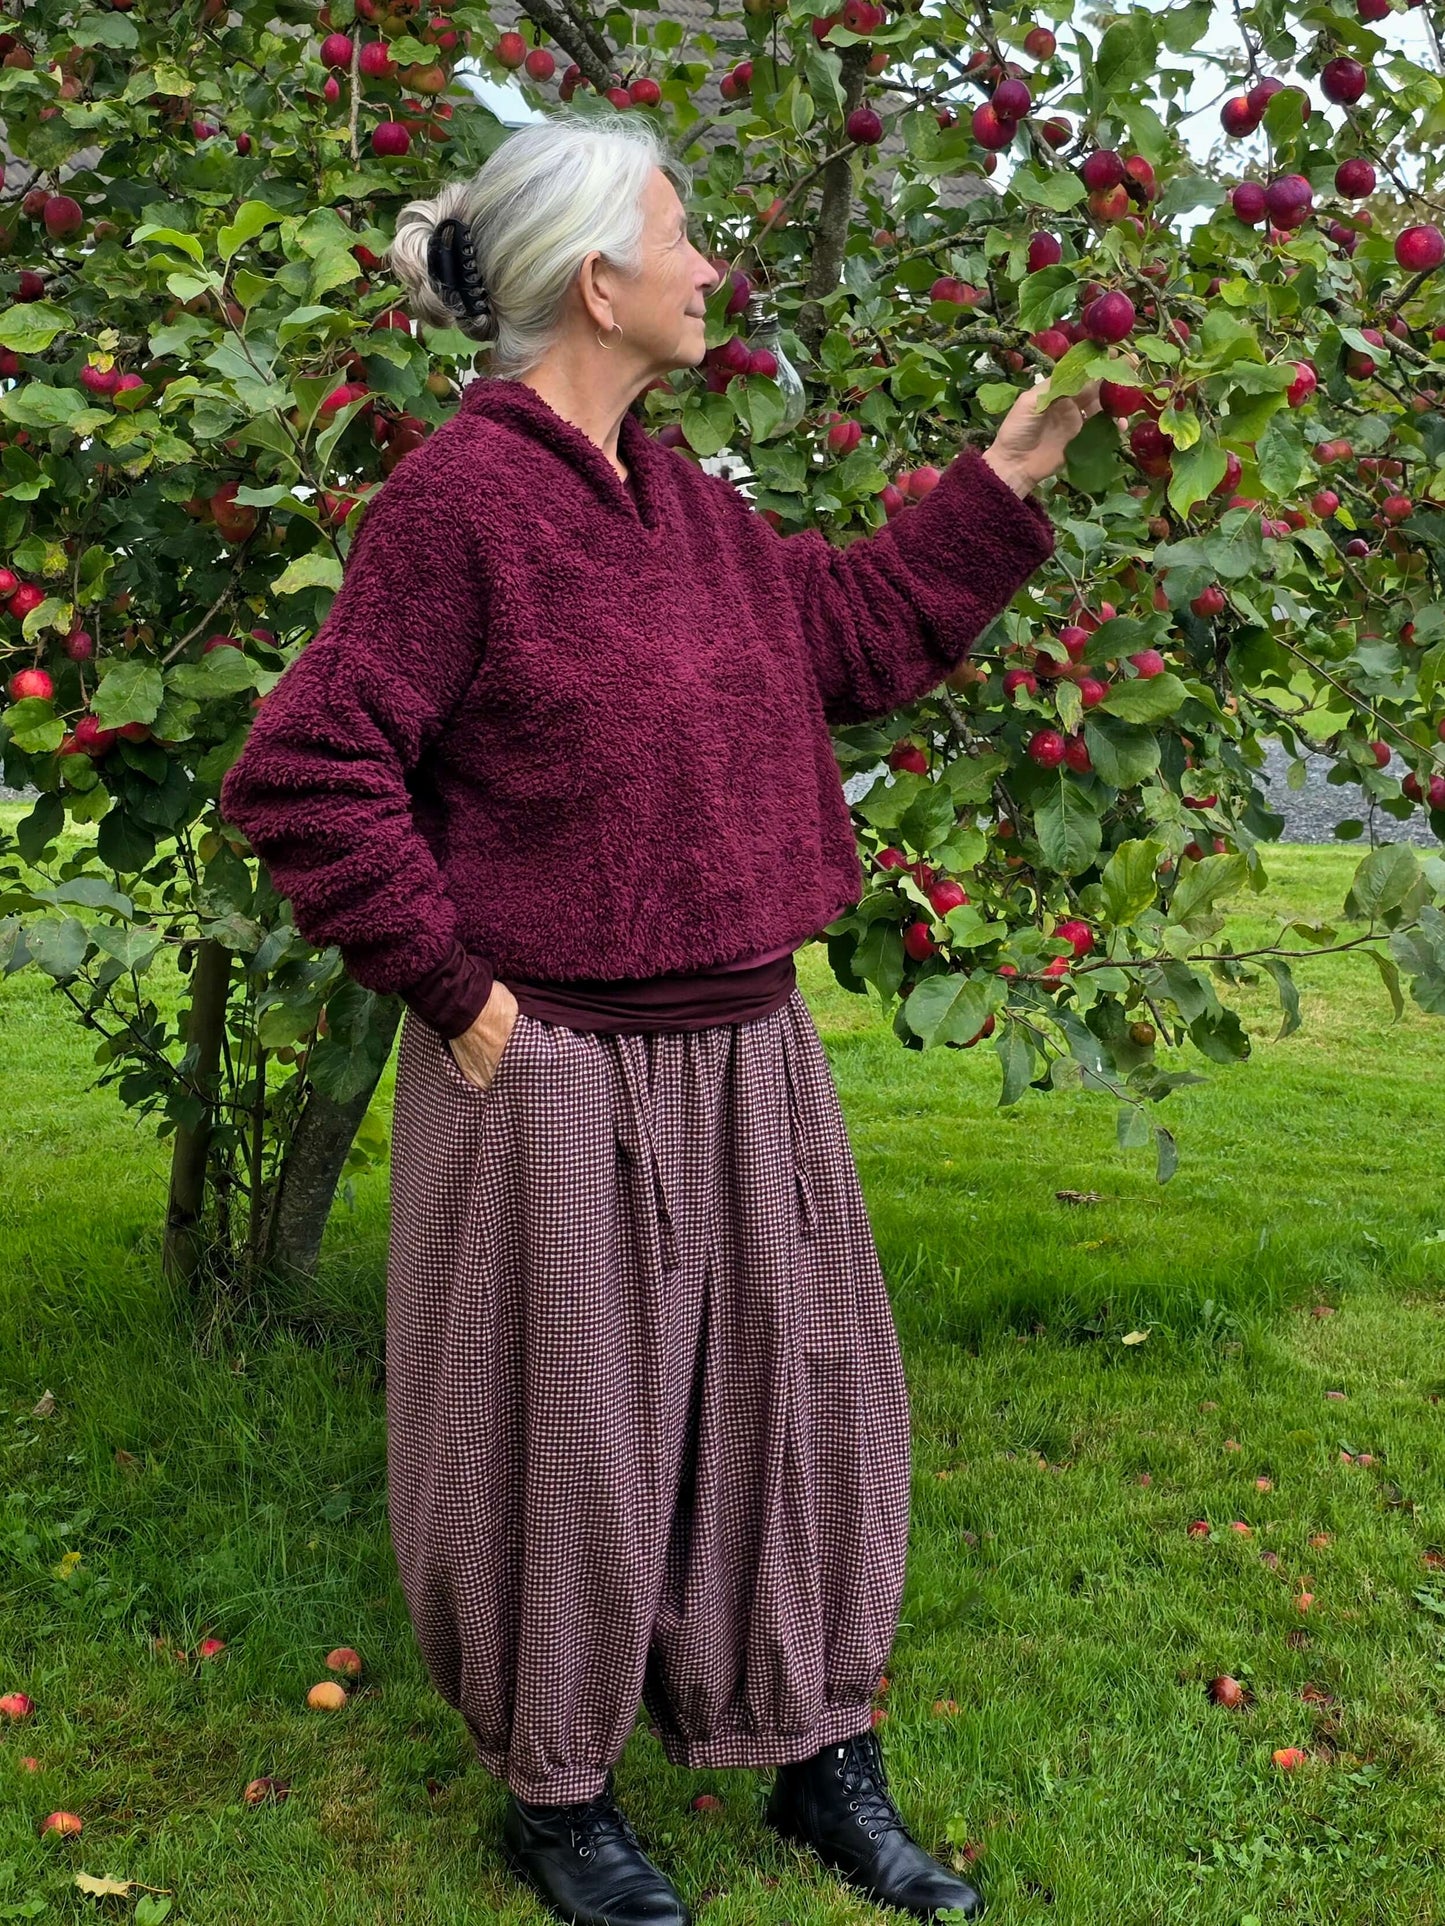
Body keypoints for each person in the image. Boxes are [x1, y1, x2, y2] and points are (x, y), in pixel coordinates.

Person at [220, 107, 1099, 1926]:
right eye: (685, 237)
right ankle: (558, 1795)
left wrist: (997, 484)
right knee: (572, 1441)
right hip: (558, 1068)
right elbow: (309, 770)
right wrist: (462, 1008)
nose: (713, 271)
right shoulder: (460, 505)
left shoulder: (679, 501)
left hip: (746, 1052)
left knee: (797, 1406)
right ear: (597, 277)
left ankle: (812, 1755)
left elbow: (843, 638)